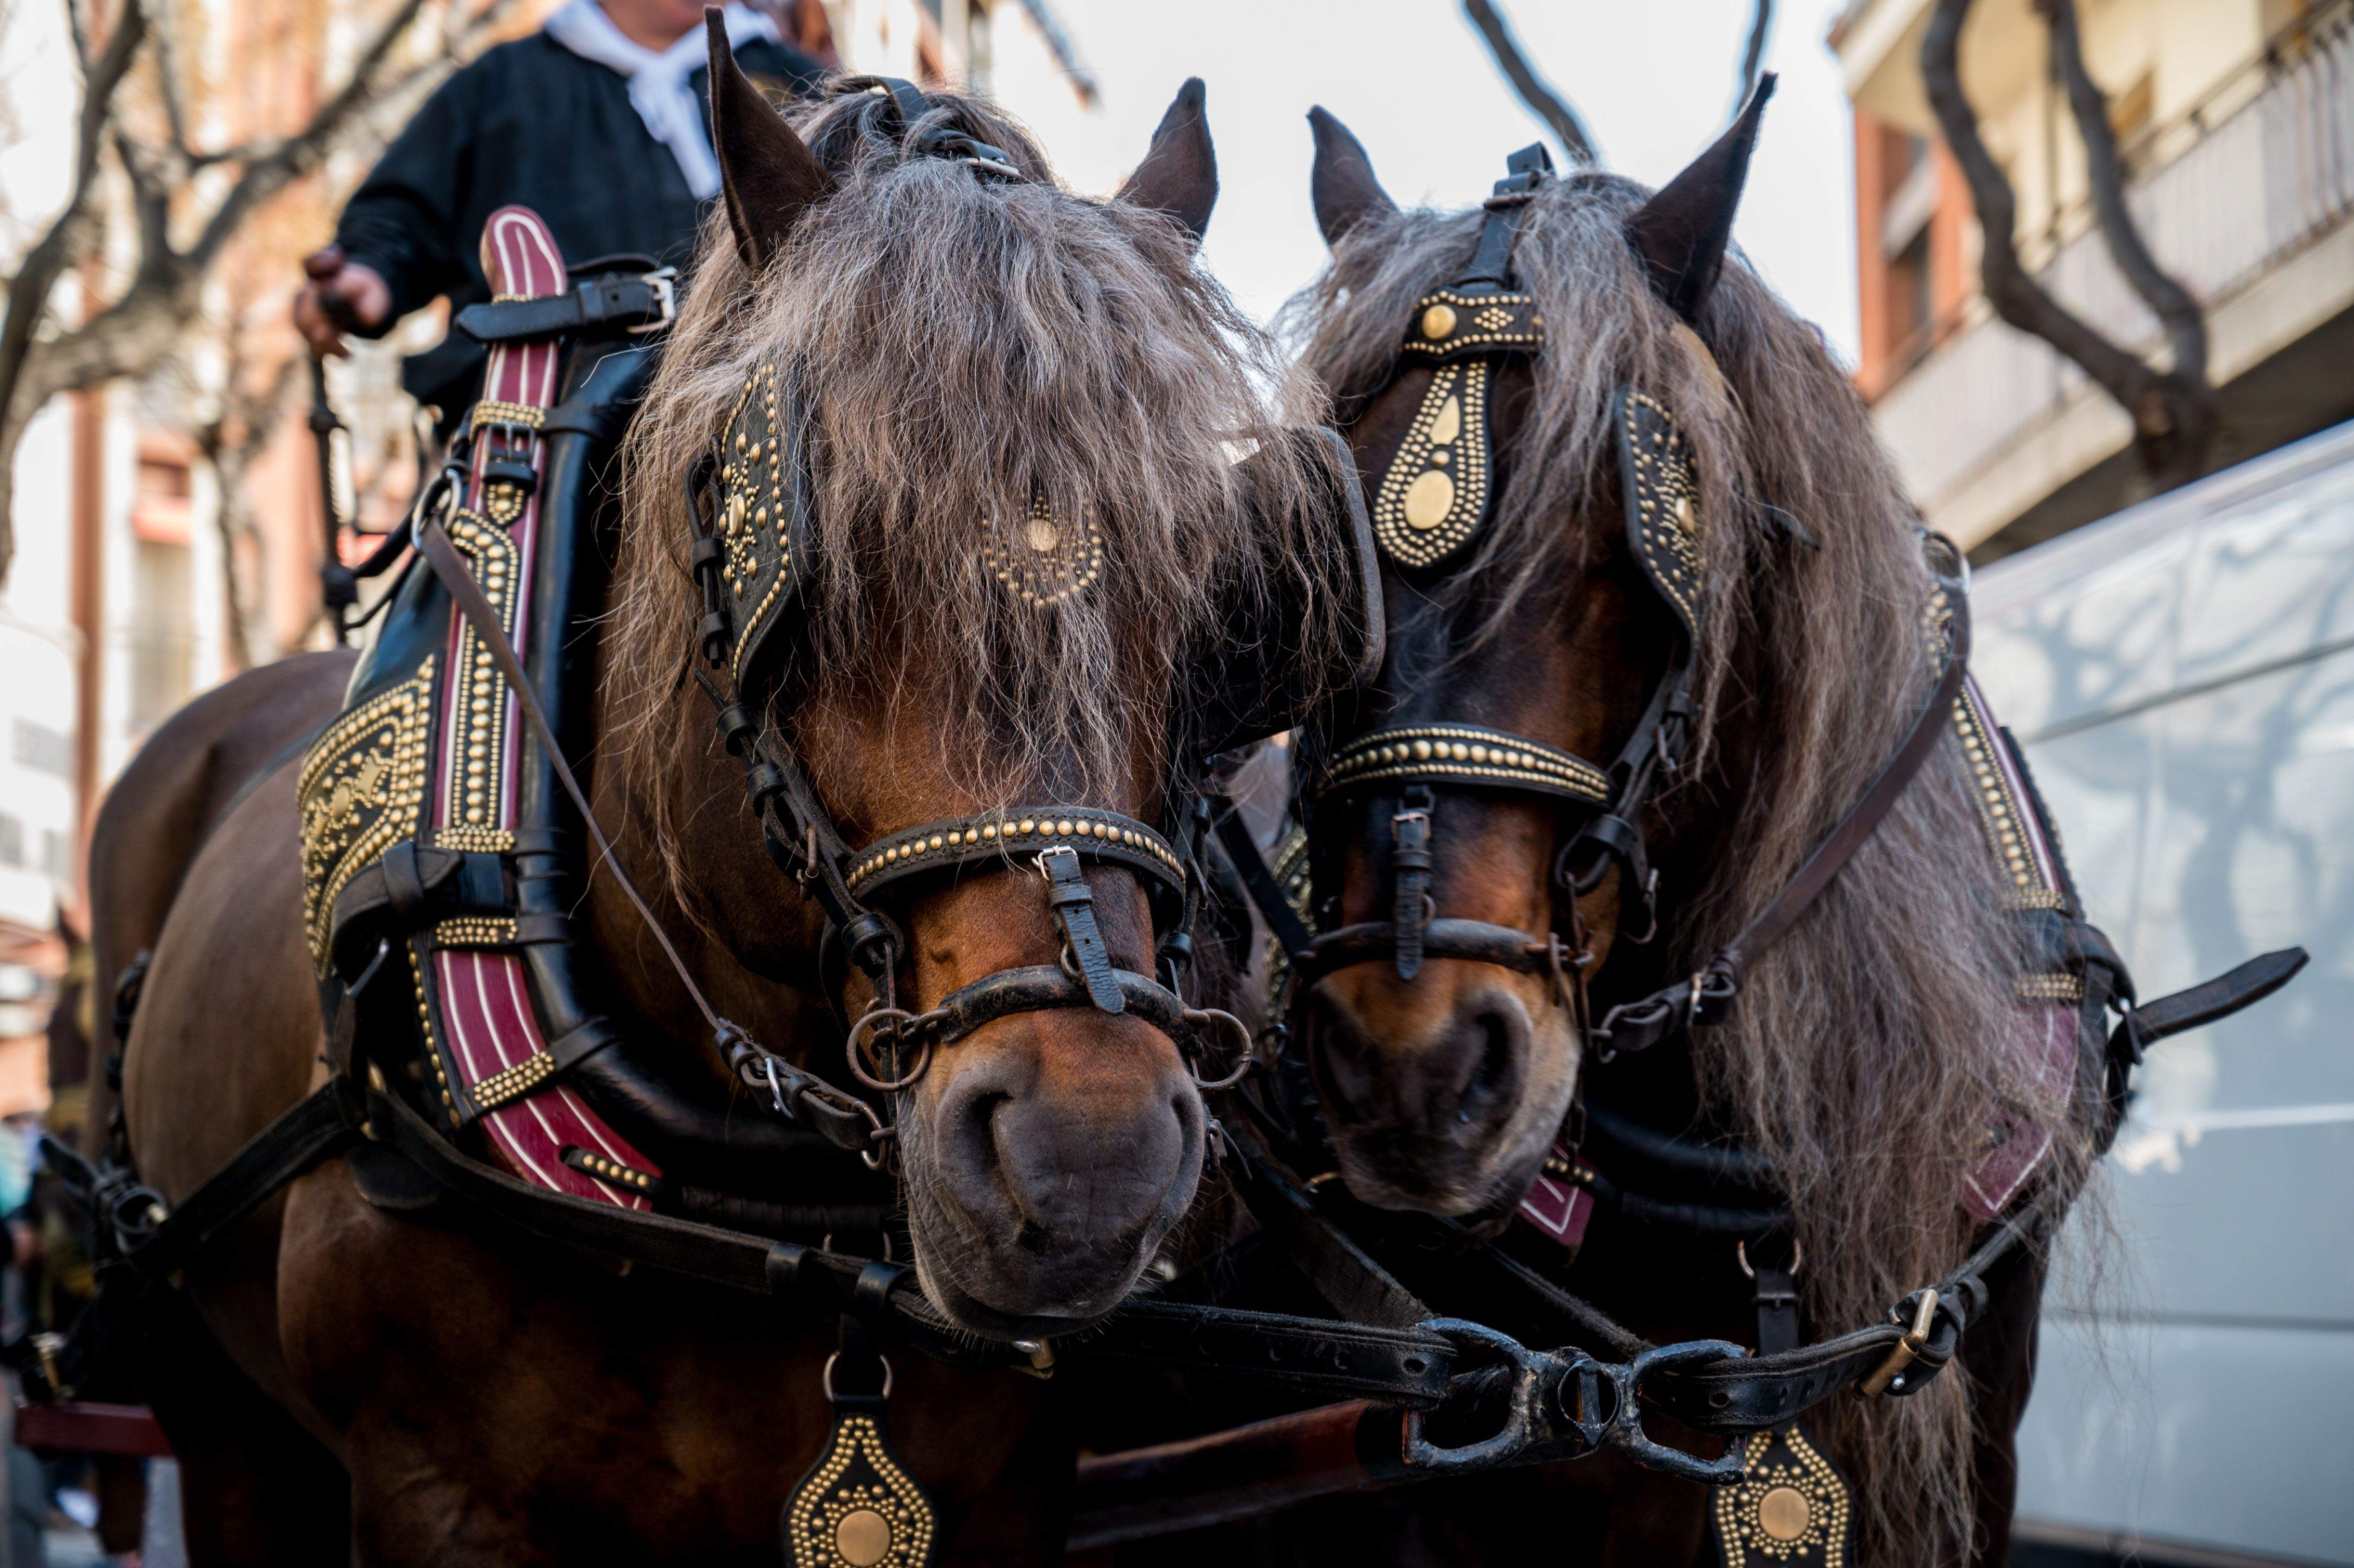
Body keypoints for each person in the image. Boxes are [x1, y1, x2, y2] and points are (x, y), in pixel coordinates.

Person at [294, 0, 825, 418]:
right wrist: (369, 273)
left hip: (764, 400)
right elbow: (402, 219)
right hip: (543, 412)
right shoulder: (502, 85)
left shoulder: (801, 85)